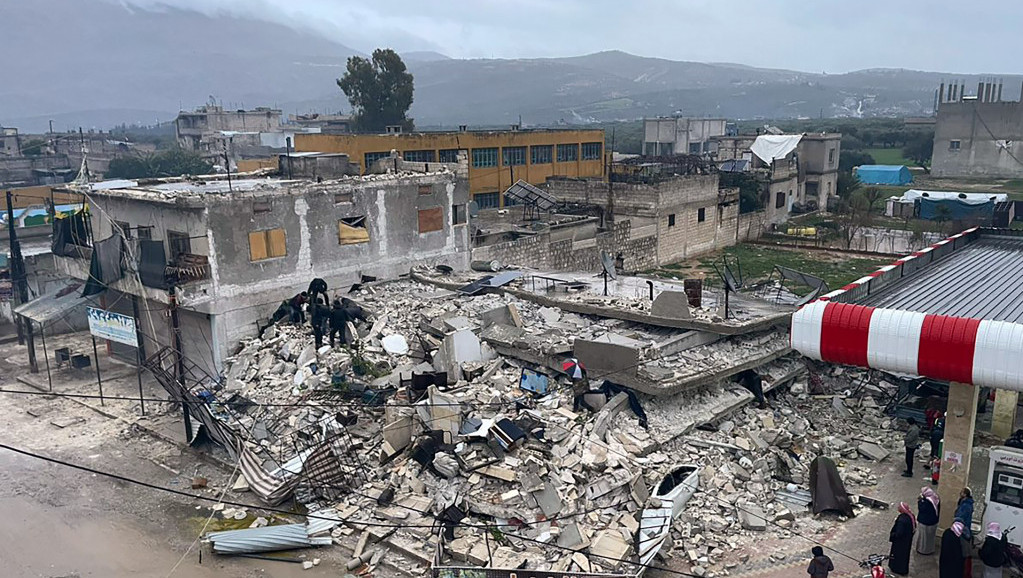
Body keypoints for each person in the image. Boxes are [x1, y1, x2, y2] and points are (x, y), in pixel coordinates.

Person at [888, 502, 916, 575]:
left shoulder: (902, 520)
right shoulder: (910, 516)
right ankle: (903, 569)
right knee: (905, 556)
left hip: (900, 542)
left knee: (898, 555)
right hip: (907, 540)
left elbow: (899, 533)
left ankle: (897, 569)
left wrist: (893, 535)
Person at [917, 486, 941, 555]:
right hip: (934, 522)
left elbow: (922, 509)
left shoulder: (927, 502)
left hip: (925, 522)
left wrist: (920, 501)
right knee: (931, 537)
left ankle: (923, 550)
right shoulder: (936, 498)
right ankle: (930, 549)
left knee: (924, 538)